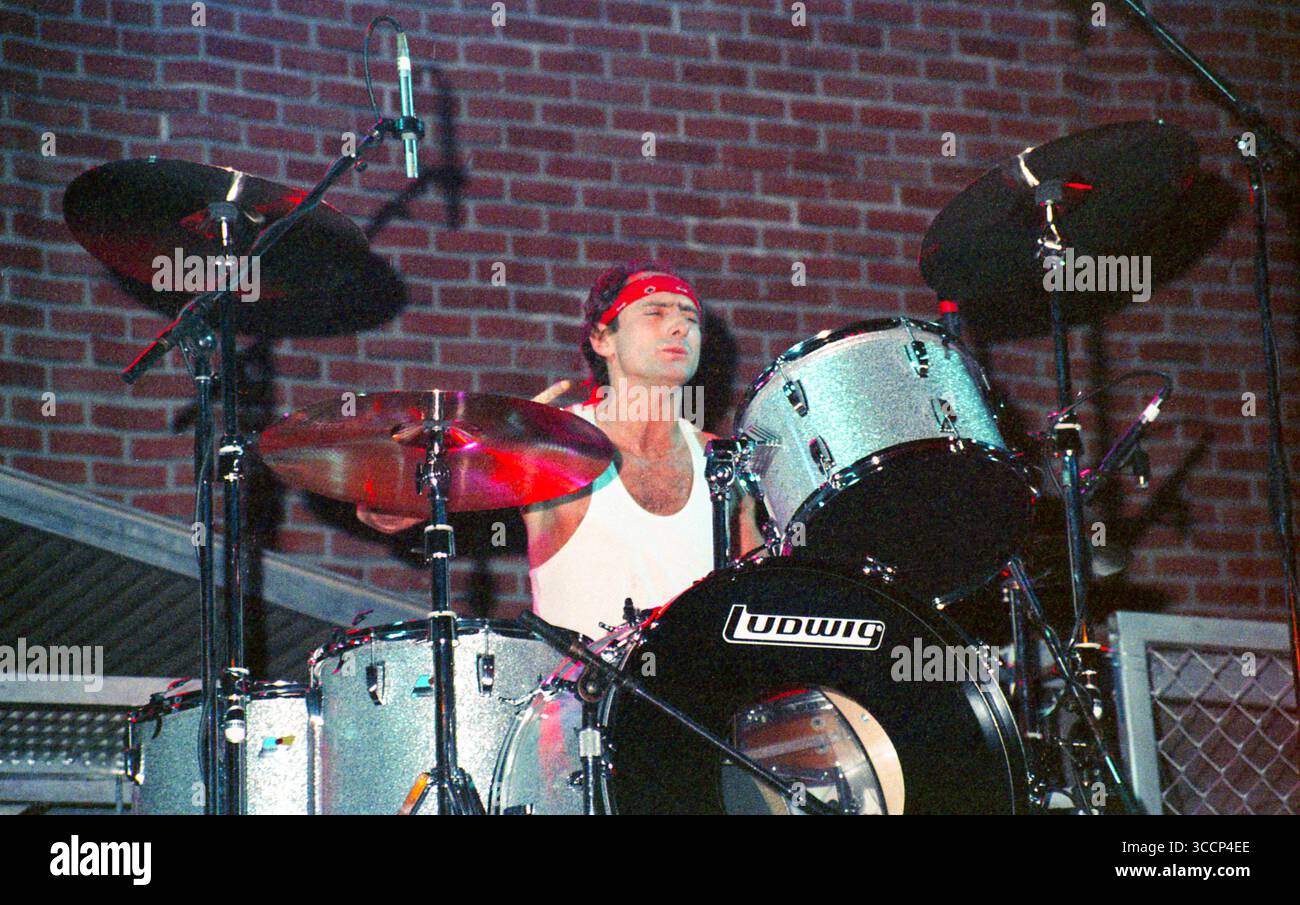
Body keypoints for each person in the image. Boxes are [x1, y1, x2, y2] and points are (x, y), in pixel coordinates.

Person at [358, 259, 761, 638]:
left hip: (692, 703)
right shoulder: (555, 440)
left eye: (690, 318)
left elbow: (762, 598)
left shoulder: (721, 460)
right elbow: (387, 507)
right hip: (580, 702)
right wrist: (413, 491)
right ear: (602, 338)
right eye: (655, 312)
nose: (679, 327)